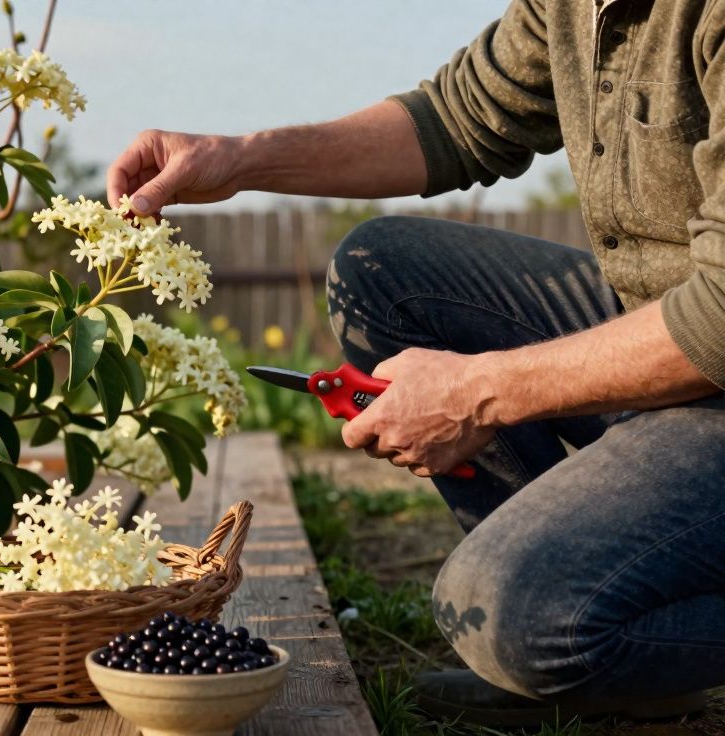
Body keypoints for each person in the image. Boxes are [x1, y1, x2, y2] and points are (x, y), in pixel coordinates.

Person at [107, 0, 725, 728]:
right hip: (662, 320)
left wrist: (481, 392)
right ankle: (608, 637)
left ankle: (558, 624)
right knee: (384, 274)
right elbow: (453, 119)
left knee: (507, 610)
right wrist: (238, 159)